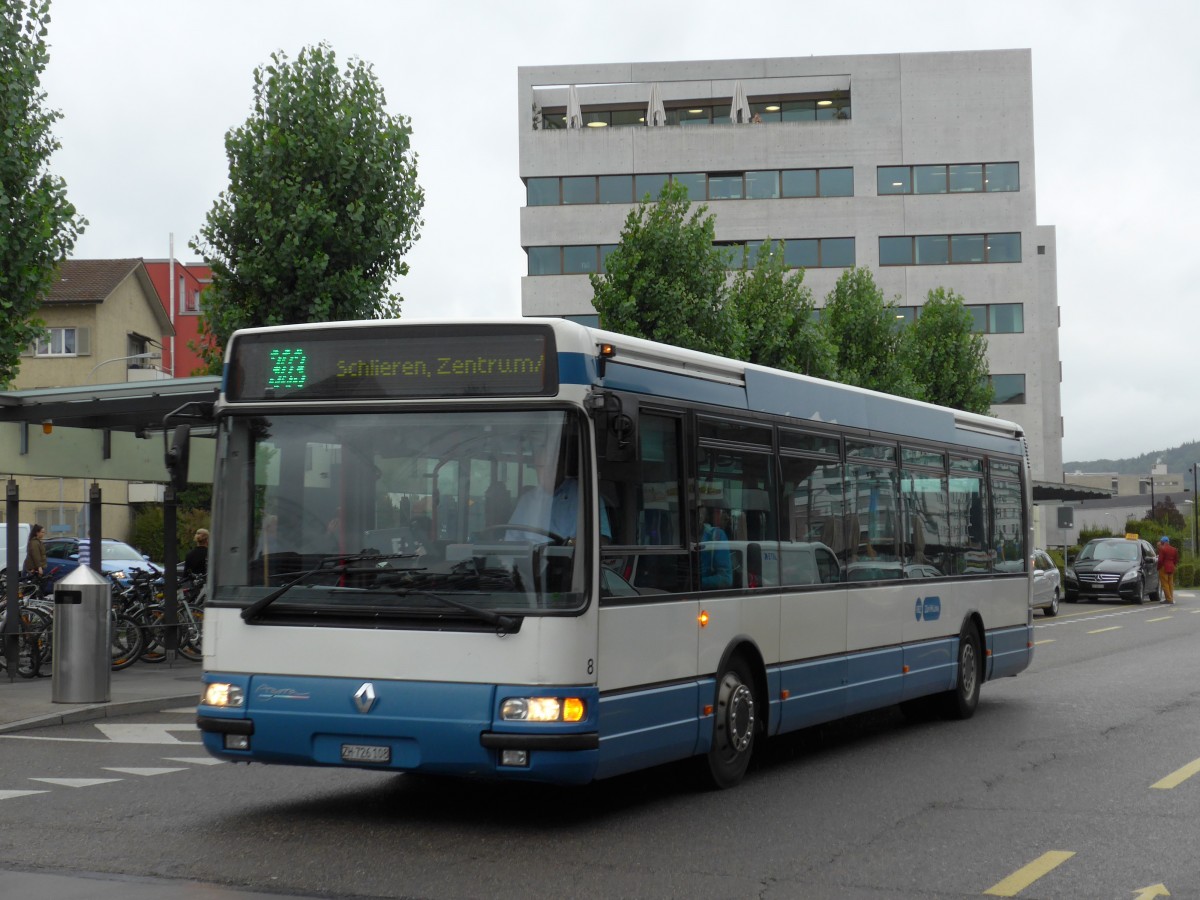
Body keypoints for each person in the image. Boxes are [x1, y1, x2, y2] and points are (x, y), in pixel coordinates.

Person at [507, 447, 611, 543]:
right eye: (541, 467)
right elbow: (510, 541)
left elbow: (602, 541)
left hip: (572, 560)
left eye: (551, 466)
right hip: (530, 560)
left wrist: (573, 544)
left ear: (562, 466)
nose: (546, 472)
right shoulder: (527, 501)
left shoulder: (587, 498)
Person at [698, 506, 732, 589]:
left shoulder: (716, 536)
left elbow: (726, 579)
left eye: (700, 508)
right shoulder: (674, 536)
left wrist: (698, 583)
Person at [1157, 536, 1178, 604]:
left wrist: (1158, 567)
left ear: (1162, 542)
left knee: (1165, 584)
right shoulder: (1174, 549)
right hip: (1171, 567)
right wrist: (1173, 565)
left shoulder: (1162, 549)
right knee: (1170, 583)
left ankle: (1169, 599)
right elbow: (1176, 560)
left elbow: (1160, 560)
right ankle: (1170, 597)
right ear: (1168, 542)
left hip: (1164, 567)